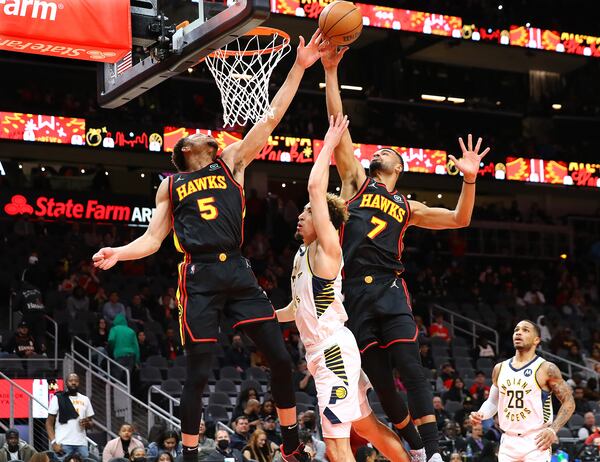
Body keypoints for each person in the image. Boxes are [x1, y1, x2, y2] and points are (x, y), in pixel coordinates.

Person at [93, 29, 325, 462]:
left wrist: (300, 65)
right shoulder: (172, 186)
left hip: (236, 269)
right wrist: (118, 253)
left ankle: (291, 439)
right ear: (184, 152)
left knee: (278, 355)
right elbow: (152, 239)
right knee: (198, 373)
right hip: (197, 274)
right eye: (196, 136)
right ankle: (191, 454)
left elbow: (271, 116)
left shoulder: (232, 160)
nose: (206, 134)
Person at [321, 42, 491, 462]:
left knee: (411, 369)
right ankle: (414, 447)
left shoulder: (408, 206)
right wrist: (329, 71)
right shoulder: (354, 180)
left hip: (389, 288)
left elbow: (458, 220)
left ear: (398, 169)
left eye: (388, 153)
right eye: (376, 149)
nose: (378, 150)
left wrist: (469, 181)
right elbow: (336, 121)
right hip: (353, 294)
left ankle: (431, 453)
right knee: (381, 384)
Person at [276, 114, 413, 462]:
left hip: (332, 351)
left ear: (324, 222)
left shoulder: (327, 249)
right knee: (366, 427)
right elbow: (294, 310)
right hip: (326, 351)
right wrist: (255, 316)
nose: (301, 216)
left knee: (337, 444)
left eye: (308, 213)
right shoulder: (300, 256)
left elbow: (315, 190)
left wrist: (329, 144)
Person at [471, 320, 576, 462]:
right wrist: (481, 414)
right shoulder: (500, 368)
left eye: (525, 330)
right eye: (516, 330)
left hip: (536, 440)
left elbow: (569, 402)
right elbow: (492, 402)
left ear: (536, 340)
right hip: (508, 440)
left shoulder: (546, 368)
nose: (519, 332)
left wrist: (553, 429)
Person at [46, 373, 94, 459]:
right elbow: (49, 423)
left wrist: (87, 424)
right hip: (63, 443)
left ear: (79, 383)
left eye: (76, 381)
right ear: (66, 383)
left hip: (81, 443)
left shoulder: (85, 399)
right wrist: (53, 443)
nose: (73, 383)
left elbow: (91, 423)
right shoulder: (58, 398)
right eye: (71, 381)